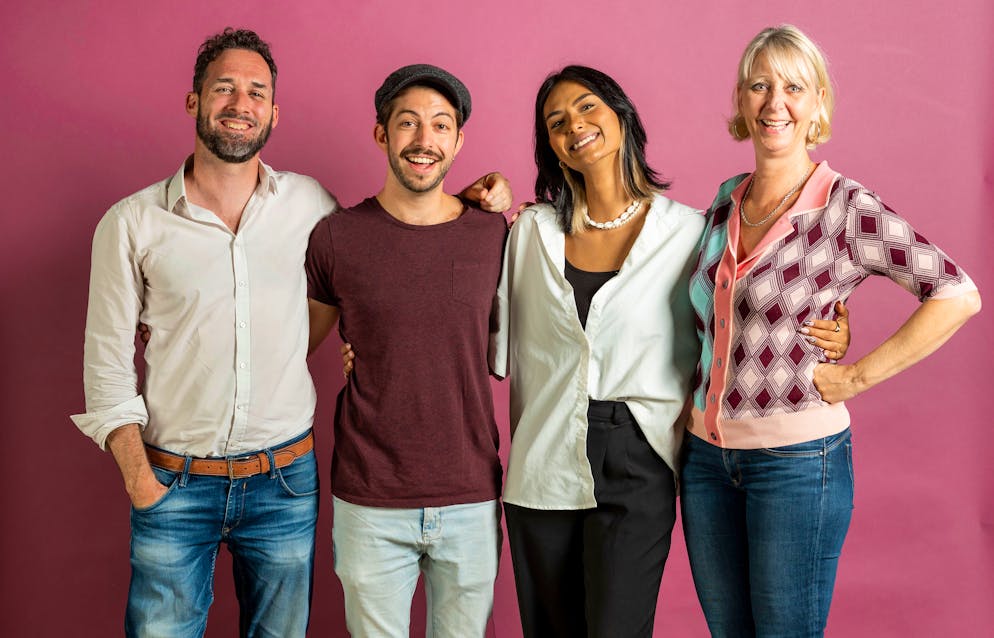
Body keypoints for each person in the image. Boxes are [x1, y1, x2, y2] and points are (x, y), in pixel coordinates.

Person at [70, 29, 509, 637]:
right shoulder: (132, 223)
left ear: (273, 112)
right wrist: (143, 485)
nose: (240, 104)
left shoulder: (310, 205)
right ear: (194, 101)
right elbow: (107, 370)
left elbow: (406, 231)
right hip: (173, 481)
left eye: (256, 92)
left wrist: (471, 203)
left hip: (284, 483)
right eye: (223, 88)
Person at [488, 66, 850, 638]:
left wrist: (829, 326)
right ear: (550, 147)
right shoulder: (528, 232)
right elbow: (470, 320)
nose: (574, 126)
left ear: (622, 115)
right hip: (543, 456)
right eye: (556, 122)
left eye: (587, 108)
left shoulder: (691, 232)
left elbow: (745, 311)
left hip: (638, 453)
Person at [681, 24, 981, 637]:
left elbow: (957, 292)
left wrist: (855, 374)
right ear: (741, 100)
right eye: (759, 86)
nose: (774, 103)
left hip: (796, 462)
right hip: (707, 461)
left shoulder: (846, 206)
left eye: (794, 87)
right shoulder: (724, 200)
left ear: (818, 103)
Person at [305, 64, 507, 638]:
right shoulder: (337, 237)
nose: (424, 140)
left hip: (470, 494)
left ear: (459, 140)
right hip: (370, 499)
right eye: (409, 123)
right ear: (381, 134)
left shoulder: (495, 234)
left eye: (441, 126)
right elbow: (291, 345)